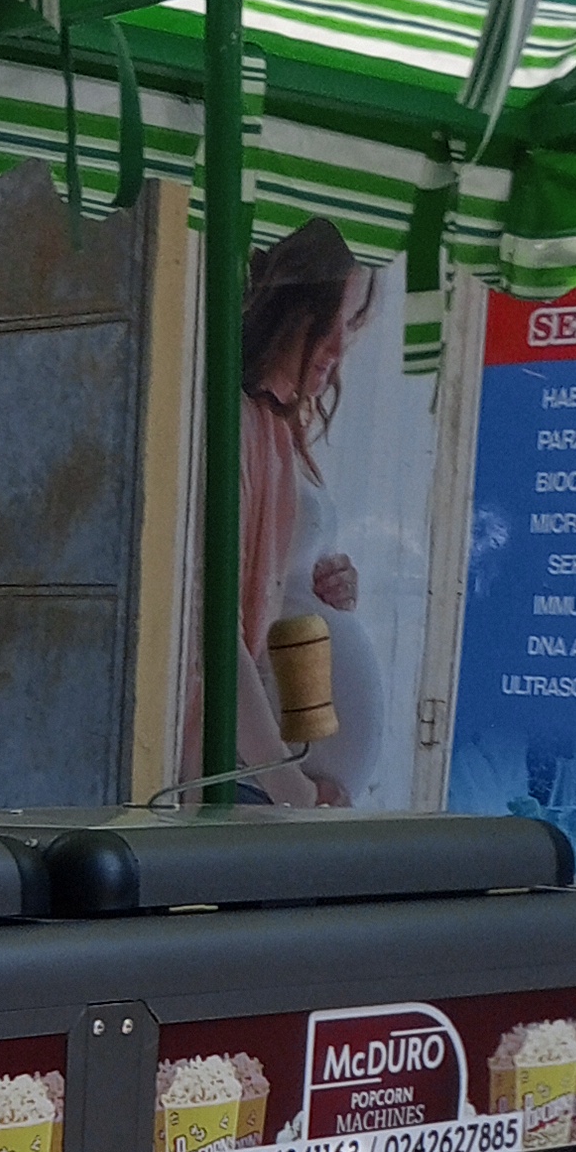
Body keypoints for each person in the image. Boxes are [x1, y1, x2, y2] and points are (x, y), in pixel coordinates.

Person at [190, 215, 374, 808]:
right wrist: (290, 786)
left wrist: (331, 589)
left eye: (353, 325)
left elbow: (278, 591)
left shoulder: (277, 426)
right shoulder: (237, 425)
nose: (342, 348)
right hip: (247, 776)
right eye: (336, 322)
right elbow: (212, 631)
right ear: (294, 308)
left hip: (267, 780)